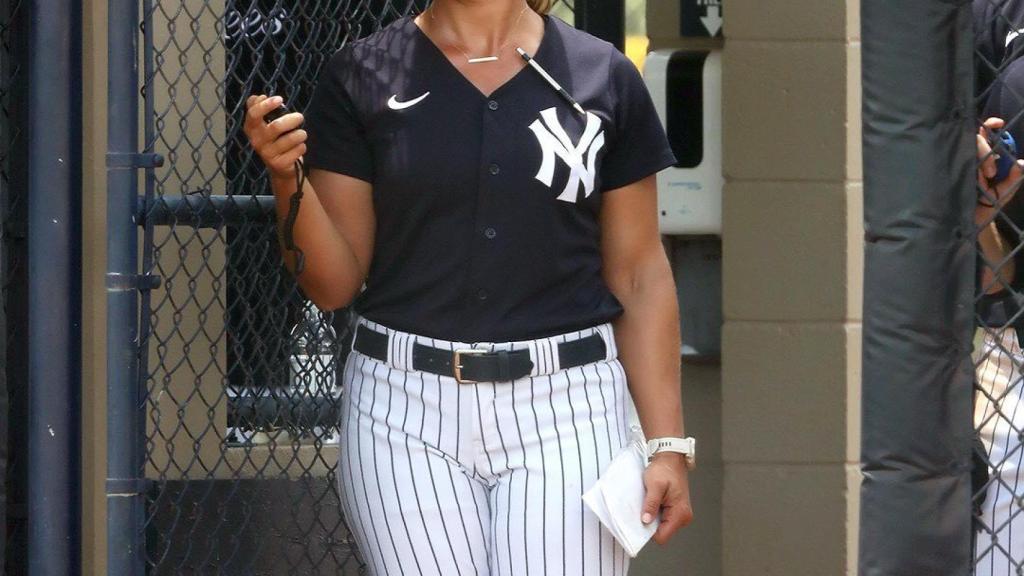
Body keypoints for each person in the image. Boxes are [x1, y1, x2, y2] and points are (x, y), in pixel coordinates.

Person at [242, 1, 694, 574]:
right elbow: (333, 284)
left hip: (568, 405)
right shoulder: (364, 71)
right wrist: (287, 176)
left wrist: (668, 445)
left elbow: (639, 275)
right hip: (402, 405)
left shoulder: (601, 73)